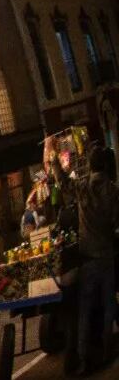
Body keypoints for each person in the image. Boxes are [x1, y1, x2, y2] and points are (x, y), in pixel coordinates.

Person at [73, 146, 118, 375]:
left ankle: (83, 359)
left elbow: (62, 182)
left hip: (88, 259)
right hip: (107, 256)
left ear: (90, 165)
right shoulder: (112, 190)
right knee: (108, 304)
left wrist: (53, 163)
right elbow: (116, 222)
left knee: (86, 310)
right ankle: (105, 350)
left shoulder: (82, 187)